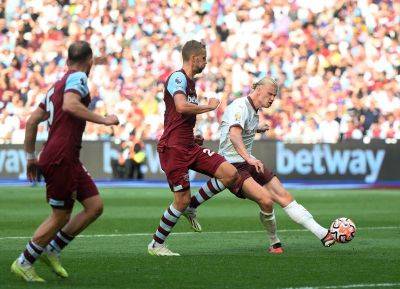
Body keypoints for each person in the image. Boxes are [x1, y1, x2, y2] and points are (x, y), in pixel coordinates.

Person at [185, 78, 335, 253]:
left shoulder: (253, 110)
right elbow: (234, 135)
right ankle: (274, 242)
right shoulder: (240, 106)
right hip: (233, 166)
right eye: (270, 94)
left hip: (247, 161)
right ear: (258, 90)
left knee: (284, 196)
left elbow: (240, 127)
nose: (272, 98)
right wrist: (248, 158)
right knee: (266, 200)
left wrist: (257, 129)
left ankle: (323, 234)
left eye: (274, 95)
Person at [11, 41, 119, 282]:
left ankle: (52, 249)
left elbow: (31, 122)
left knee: (94, 206)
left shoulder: (55, 87)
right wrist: (103, 120)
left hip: (65, 156)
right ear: (89, 61)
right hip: (61, 156)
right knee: (60, 216)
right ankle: (24, 261)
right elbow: (71, 105)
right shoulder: (79, 78)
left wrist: (30, 157)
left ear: (68, 59)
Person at [147, 40, 240, 256]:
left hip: (189, 145)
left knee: (230, 174)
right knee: (180, 200)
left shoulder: (190, 82)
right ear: (194, 58)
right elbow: (180, 106)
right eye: (204, 58)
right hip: (174, 149)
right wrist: (208, 106)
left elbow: (180, 115)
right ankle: (156, 244)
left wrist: (192, 134)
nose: (205, 63)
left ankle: (193, 205)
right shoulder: (178, 77)